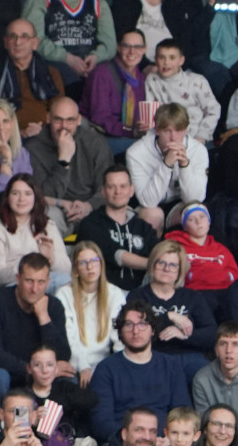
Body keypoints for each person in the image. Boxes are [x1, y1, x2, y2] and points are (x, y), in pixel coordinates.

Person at [90, 301, 192, 441]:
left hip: (165, 445)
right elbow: (101, 422)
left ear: (153, 330)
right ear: (120, 331)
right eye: (128, 324)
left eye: (143, 324)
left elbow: (183, 414)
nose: (135, 331)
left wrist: (167, 440)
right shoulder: (106, 369)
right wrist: (131, 440)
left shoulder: (171, 365)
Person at [21, 0, 117, 91]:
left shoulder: (98, 2)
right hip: (54, 65)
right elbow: (34, 41)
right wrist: (67, 58)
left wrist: (95, 57)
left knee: (105, 76)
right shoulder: (38, 0)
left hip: (90, 64)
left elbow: (109, 45)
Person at [0, 253, 74, 386]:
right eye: (29, 281)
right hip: (4, 371)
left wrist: (44, 318)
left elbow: (62, 355)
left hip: (38, 373)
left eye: (41, 282)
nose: (34, 289)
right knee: (0, 376)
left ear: (48, 282)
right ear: (18, 279)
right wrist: (33, 370)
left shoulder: (54, 306)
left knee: (69, 377)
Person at [24, 97, 112, 238]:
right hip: (57, 208)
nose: (64, 126)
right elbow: (42, 195)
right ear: (48, 118)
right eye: (58, 120)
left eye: (70, 120)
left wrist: (89, 206)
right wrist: (64, 160)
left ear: (79, 120)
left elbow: (107, 187)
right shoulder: (33, 148)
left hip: (90, 207)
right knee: (48, 215)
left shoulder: (95, 143)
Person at [130, 240, 216, 370]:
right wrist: (170, 316)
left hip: (190, 357)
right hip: (153, 356)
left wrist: (184, 336)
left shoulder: (192, 296)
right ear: (153, 264)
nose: (166, 269)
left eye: (173, 265)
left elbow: (212, 333)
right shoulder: (138, 295)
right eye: (161, 263)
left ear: (179, 271)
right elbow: (137, 331)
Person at [0, 18, 65, 139]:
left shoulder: (52, 73)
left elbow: (59, 113)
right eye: (13, 36)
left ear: (35, 43)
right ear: (6, 42)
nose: (18, 42)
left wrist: (42, 129)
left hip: (43, 135)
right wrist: (16, 134)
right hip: (3, 136)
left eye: (25, 37)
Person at [128, 103, 210, 231]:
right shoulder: (136, 152)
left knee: (197, 212)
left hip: (178, 204)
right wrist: (167, 165)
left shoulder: (198, 151)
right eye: (167, 131)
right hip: (147, 207)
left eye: (179, 131)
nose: (174, 138)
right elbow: (148, 202)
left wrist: (184, 165)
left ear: (186, 130)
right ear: (157, 130)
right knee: (153, 215)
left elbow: (194, 199)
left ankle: (190, 251)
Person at [75, 165, 158, 291]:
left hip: (142, 295)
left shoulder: (143, 227)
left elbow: (160, 253)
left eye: (123, 186)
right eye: (111, 187)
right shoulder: (90, 224)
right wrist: (156, 264)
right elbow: (118, 256)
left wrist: (162, 263)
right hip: (104, 293)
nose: (117, 191)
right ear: (103, 191)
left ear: (131, 190)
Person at [56, 241, 125, 387]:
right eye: (83, 262)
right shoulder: (64, 294)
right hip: (74, 364)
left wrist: (120, 367)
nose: (90, 267)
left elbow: (119, 336)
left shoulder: (115, 294)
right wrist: (84, 367)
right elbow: (70, 336)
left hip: (105, 364)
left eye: (94, 260)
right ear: (75, 269)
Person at [0, 174, 72, 288]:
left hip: (44, 282)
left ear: (35, 198)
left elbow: (66, 270)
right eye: (15, 193)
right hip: (15, 284)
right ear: (7, 198)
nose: (21, 199)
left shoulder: (47, 225)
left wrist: (50, 258)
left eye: (28, 193)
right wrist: (29, 263)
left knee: (64, 280)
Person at [80, 29, 150, 156]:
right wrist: (131, 131)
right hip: (100, 136)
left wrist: (141, 127)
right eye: (126, 46)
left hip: (129, 136)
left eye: (138, 47)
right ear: (118, 47)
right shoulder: (102, 74)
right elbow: (99, 118)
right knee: (144, 150)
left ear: (145, 49)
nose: (132, 52)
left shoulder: (142, 78)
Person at [165, 202, 238, 316]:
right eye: (191, 219)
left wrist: (223, 277)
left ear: (209, 221)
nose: (198, 222)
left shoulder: (221, 249)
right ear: (185, 226)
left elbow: (234, 272)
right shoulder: (175, 246)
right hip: (195, 292)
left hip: (224, 292)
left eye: (202, 217)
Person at [144, 40, 221, 147]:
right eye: (162, 57)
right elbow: (151, 112)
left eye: (172, 58)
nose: (166, 62)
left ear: (181, 60)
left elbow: (213, 110)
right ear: (156, 60)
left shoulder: (197, 81)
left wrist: (201, 137)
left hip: (195, 137)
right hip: (164, 138)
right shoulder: (152, 80)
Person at [190, 0, 238, 99]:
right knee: (221, 80)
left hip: (235, 53)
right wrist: (209, 6)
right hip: (206, 55)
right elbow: (193, 35)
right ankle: (226, 122)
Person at [194, 323, 238, 413]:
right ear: (216, 350)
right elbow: (204, 420)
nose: (228, 350)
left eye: (235, 344)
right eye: (223, 344)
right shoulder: (202, 379)